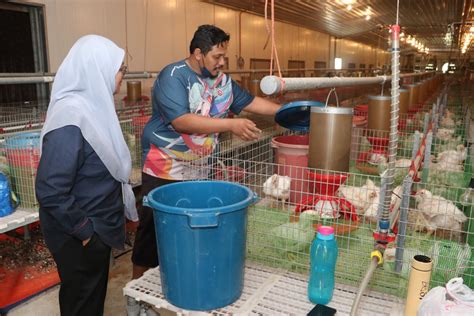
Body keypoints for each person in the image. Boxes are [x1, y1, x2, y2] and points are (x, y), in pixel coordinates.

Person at [131, 24, 281, 279]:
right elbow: (182, 121)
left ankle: (185, 276)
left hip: (199, 165)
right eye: (217, 57)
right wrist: (231, 124)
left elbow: (252, 102)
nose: (222, 62)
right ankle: (136, 292)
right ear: (198, 53)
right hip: (165, 163)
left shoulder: (221, 82)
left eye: (225, 56)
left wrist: (289, 111)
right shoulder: (174, 75)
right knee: (154, 228)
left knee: (192, 224)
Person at [35, 35, 137, 316]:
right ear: (98, 68)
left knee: (89, 300)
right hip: (79, 233)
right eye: (120, 70)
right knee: (83, 302)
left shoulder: (93, 108)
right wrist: (85, 232)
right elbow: (50, 189)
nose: (121, 78)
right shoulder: (71, 118)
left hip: (95, 227)